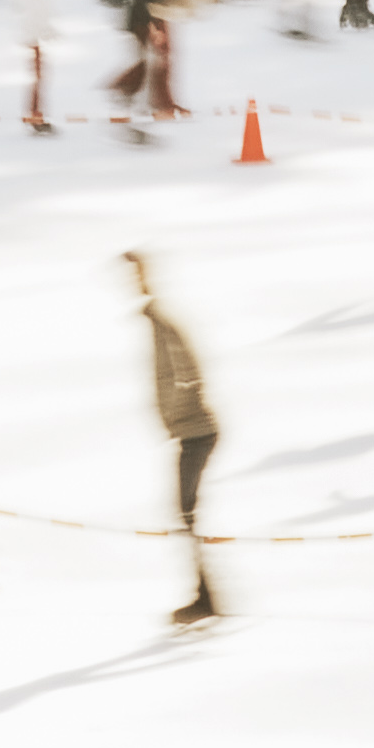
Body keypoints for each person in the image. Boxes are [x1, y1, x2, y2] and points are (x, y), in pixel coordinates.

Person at [136, 259, 225, 628]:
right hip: (190, 432)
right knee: (186, 513)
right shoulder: (160, 325)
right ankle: (205, 596)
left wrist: (181, 401)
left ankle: (206, 599)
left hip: (196, 433)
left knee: (187, 513)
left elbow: (186, 372)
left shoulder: (164, 326)